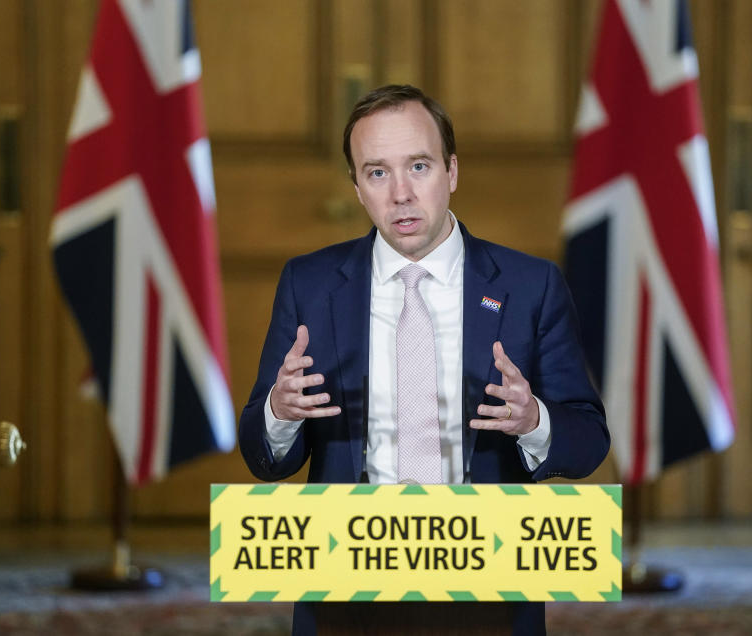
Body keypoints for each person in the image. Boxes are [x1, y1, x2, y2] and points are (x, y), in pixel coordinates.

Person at [239, 85, 609, 636]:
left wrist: (534, 421)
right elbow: (261, 455)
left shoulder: (531, 286)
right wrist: (278, 411)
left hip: (488, 576)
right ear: (357, 188)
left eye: (419, 166)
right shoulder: (310, 285)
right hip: (346, 574)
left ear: (452, 171)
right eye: (377, 173)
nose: (402, 194)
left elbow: (588, 443)